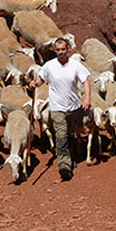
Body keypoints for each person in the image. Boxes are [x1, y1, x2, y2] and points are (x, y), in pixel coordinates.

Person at [29, 37, 91, 181]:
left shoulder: (76, 65)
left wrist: (87, 97)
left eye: (63, 49)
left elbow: (85, 81)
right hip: (56, 107)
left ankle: (70, 159)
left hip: (73, 107)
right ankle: (63, 165)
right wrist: (34, 84)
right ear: (54, 50)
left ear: (68, 50)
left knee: (70, 135)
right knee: (61, 135)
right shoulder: (49, 66)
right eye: (58, 50)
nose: (61, 52)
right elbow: (41, 80)